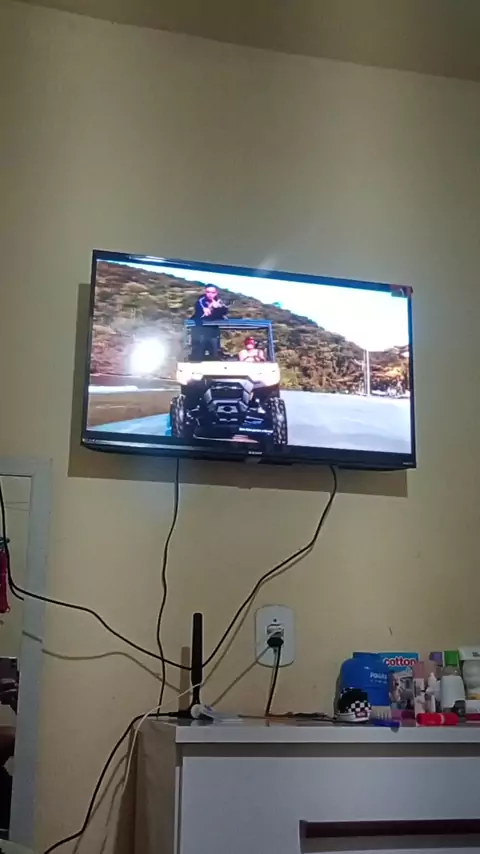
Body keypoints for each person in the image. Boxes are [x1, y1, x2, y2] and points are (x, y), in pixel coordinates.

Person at [191, 286, 229, 360]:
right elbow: (202, 313)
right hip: (201, 331)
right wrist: (210, 307)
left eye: (212, 292)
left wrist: (218, 308)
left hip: (213, 332)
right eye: (208, 292)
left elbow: (225, 312)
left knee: (215, 352)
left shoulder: (219, 301)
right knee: (199, 352)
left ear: (216, 293)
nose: (210, 294)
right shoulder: (201, 301)